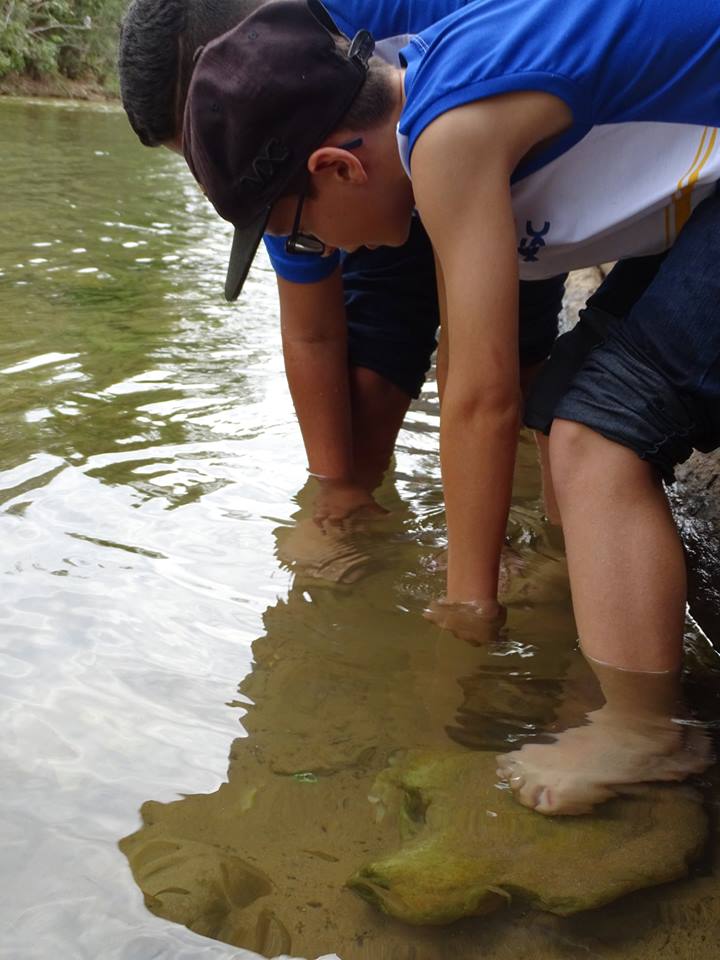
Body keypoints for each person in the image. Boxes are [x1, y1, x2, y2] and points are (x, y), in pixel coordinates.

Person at [180, 0, 719, 812]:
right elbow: (474, 369)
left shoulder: (448, 136)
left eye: (306, 234)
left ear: (338, 168)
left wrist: (469, 606)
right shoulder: (427, 90)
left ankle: (646, 732)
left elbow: (481, 394)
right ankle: (612, 630)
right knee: (564, 407)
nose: (328, 254)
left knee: (597, 432)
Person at [118, 0, 565, 534]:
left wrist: (476, 561)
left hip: (488, 156)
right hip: (358, 195)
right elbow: (312, 332)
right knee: (362, 409)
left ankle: (542, 535)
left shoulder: (398, 24)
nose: (213, 175)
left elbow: (476, 374)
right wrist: (336, 490)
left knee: (512, 361)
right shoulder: (266, 162)